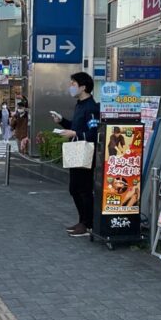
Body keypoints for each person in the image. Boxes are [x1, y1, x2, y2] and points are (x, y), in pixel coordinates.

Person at [52, 72, 100, 237]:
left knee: (84, 189)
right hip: (76, 151)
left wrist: (74, 134)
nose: (70, 87)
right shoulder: (80, 105)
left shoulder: (91, 107)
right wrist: (62, 121)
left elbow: (93, 133)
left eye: (73, 84)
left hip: (85, 152)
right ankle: (82, 222)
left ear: (83, 87)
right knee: (74, 189)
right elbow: (76, 126)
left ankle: (88, 224)